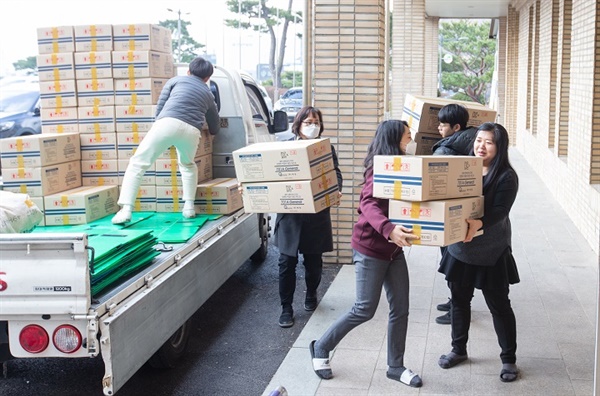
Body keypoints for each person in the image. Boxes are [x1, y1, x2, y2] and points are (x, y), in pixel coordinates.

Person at [309, 120, 423, 388]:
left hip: (393, 249)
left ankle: (395, 366)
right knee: (364, 309)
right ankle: (321, 347)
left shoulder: (403, 165)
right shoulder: (380, 167)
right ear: (395, 139)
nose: (411, 139)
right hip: (372, 248)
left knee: (401, 308)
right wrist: (389, 228)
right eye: (408, 136)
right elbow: (368, 203)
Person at [437, 122, 520, 383]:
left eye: (488, 142)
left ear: (499, 146)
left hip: (490, 251)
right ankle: (458, 350)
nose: (480, 146)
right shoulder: (463, 168)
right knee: (459, 302)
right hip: (460, 247)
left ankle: (508, 360)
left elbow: (500, 212)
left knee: (499, 306)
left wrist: (477, 224)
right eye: (478, 140)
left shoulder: (506, 176)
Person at [112, 56, 220, 224]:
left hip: (168, 122)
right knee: (187, 165)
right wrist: (211, 131)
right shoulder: (208, 93)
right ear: (207, 78)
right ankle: (189, 207)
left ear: (188, 71)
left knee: (138, 163)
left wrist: (161, 129)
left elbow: (161, 105)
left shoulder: (175, 81)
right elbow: (215, 123)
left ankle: (126, 210)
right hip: (192, 130)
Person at [273, 106, 343, 328]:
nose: (313, 126)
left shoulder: (325, 148)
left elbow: (335, 173)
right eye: (308, 122)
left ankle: (311, 293)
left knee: (313, 262)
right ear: (298, 124)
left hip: (316, 214)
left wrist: (336, 189)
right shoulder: (285, 148)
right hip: (290, 215)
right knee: (286, 262)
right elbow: (271, 176)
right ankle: (286, 308)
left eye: (316, 122)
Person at [431, 103, 478, 325]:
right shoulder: (475, 143)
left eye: (443, 125)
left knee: (453, 264)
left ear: (456, 127)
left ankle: (456, 308)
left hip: (446, 213)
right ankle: (455, 302)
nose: (439, 129)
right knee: (456, 262)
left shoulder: (446, 150)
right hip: (466, 211)